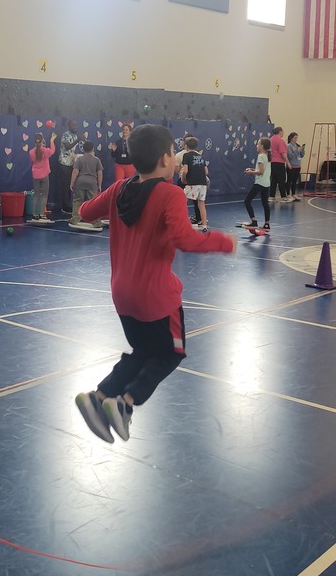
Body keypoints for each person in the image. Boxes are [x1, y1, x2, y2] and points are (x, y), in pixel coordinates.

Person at [74, 124, 236, 442]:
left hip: (122, 294)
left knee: (142, 351)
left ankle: (99, 398)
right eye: (173, 153)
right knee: (169, 354)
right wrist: (223, 242)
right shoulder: (170, 194)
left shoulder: (119, 188)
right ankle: (125, 404)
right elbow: (184, 239)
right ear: (165, 159)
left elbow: (86, 212)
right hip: (157, 297)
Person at [68, 140, 104, 230]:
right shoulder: (96, 160)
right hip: (92, 183)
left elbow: (75, 172)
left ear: (83, 150)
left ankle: (75, 219)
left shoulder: (79, 159)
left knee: (77, 201)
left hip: (80, 182)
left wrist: (72, 183)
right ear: (92, 149)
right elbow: (99, 174)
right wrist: (99, 185)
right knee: (93, 203)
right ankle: (96, 222)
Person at [181, 135, 209, 231]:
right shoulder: (200, 156)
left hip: (193, 183)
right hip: (203, 183)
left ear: (186, 146)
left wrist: (183, 179)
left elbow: (185, 170)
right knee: (201, 204)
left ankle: (182, 223)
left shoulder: (186, 155)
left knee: (182, 201)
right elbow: (206, 172)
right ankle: (204, 225)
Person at [242, 137, 272, 229]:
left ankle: (253, 221)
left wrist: (251, 173)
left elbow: (261, 172)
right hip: (266, 183)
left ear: (262, 146)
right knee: (265, 203)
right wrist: (253, 169)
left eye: (258, 144)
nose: (257, 145)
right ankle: (267, 223)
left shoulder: (260, 156)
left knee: (247, 201)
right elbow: (262, 170)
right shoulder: (267, 155)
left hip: (259, 183)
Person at [29, 131, 57, 222]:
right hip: (44, 175)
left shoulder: (31, 152)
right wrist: (52, 140)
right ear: (42, 141)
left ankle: (34, 214)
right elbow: (53, 150)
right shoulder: (46, 151)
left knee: (36, 195)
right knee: (44, 195)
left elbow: (32, 162)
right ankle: (42, 214)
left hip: (35, 175)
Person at [56, 119, 79, 213]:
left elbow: (73, 150)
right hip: (64, 162)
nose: (75, 127)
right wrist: (77, 140)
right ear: (69, 126)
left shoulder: (75, 135)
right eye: (73, 125)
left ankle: (69, 204)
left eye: (76, 125)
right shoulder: (65, 134)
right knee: (65, 184)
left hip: (72, 163)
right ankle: (64, 206)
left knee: (71, 184)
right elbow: (67, 147)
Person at [268, 126, 289, 202]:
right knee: (281, 180)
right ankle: (283, 197)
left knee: (273, 180)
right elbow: (283, 153)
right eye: (283, 131)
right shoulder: (280, 141)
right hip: (279, 163)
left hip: (272, 163)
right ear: (280, 132)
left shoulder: (271, 139)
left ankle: (271, 196)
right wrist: (288, 162)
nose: (283, 133)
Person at [284, 132, 304, 202]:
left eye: (297, 138)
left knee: (295, 181)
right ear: (291, 138)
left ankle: (294, 193)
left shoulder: (297, 145)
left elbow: (301, 156)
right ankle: (288, 194)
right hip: (291, 165)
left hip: (297, 165)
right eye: (295, 138)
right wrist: (296, 151)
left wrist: (302, 151)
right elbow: (290, 156)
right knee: (289, 180)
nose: (296, 139)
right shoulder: (288, 146)